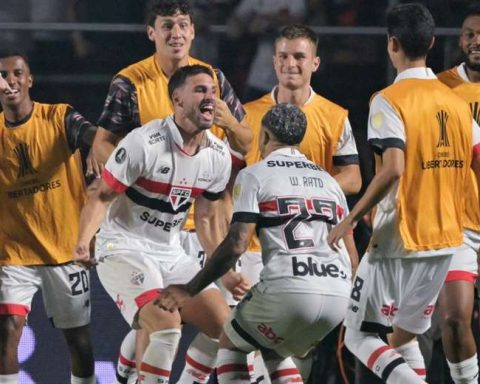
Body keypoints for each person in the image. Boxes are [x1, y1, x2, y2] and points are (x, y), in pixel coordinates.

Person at [88, 1, 252, 383]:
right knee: (162, 322)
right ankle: (135, 372)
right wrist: (140, 180)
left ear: (194, 31)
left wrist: (228, 120)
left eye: (182, 25)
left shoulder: (213, 80)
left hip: (201, 224)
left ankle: (139, 369)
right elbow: (101, 146)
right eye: (167, 26)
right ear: (152, 33)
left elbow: (247, 141)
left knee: (223, 328)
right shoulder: (129, 82)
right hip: (143, 227)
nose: (176, 33)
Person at [327, 3, 480, 383]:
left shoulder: (389, 99)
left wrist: (349, 218)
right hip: (445, 240)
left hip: (400, 238)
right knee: (406, 338)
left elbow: (393, 169)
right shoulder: (456, 102)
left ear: (391, 44)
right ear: (431, 41)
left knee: (360, 336)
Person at [157, 102, 353, 384]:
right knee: (275, 347)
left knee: (230, 339)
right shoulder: (330, 182)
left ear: (262, 137)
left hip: (289, 288)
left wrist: (191, 288)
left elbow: (237, 243)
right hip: (338, 295)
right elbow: (350, 250)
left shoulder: (256, 174)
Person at [240, 24, 361, 381]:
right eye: (283, 56)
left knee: (296, 348)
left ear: (316, 63)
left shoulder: (335, 116)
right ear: (273, 61)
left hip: (311, 248)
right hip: (253, 247)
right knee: (250, 345)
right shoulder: (248, 115)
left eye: (299, 56)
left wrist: (298, 192)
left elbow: (353, 178)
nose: (290, 63)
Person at [0, 51, 96, 384]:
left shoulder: (59, 117)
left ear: (29, 80)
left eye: (16, 73)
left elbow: (94, 138)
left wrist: (98, 153)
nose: (9, 81)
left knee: (79, 342)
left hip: (65, 250)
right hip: (15, 254)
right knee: (7, 331)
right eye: (2, 75)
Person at [427, 4, 480, 383]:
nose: (476, 42)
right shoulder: (439, 88)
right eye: (470, 35)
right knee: (452, 320)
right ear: (460, 40)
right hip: (456, 224)